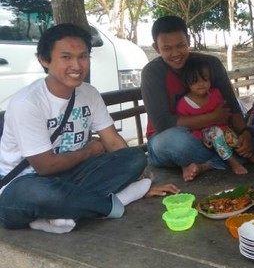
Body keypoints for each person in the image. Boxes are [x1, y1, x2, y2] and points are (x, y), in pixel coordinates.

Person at [0, 24, 175, 234]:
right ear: (44, 60)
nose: (77, 65)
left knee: (135, 157)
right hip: (23, 185)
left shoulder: (89, 93)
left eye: (83, 56)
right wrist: (89, 152)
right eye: (66, 57)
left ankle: (62, 213)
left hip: (72, 176)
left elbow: (111, 141)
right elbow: (45, 166)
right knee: (36, 193)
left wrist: (139, 176)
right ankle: (113, 204)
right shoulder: (27, 103)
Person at [142, 16, 254, 182]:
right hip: (175, 140)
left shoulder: (210, 64)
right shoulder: (152, 73)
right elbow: (162, 123)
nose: (175, 54)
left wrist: (245, 133)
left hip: (217, 134)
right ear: (156, 48)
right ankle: (228, 158)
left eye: (181, 45)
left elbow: (231, 105)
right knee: (174, 142)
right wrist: (213, 118)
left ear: (188, 40)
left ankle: (206, 163)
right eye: (167, 48)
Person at [176, 57, 247, 175]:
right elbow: (185, 128)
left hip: (223, 131)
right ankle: (233, 162)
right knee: (215, 132)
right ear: (187, 82)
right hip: (204, 137)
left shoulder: (216, 94)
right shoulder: (183, 104)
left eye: (205, 79)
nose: (201, 84)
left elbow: (226, 114)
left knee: (236, 141)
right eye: (195, 80)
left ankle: (249, 157)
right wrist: (200, 136)